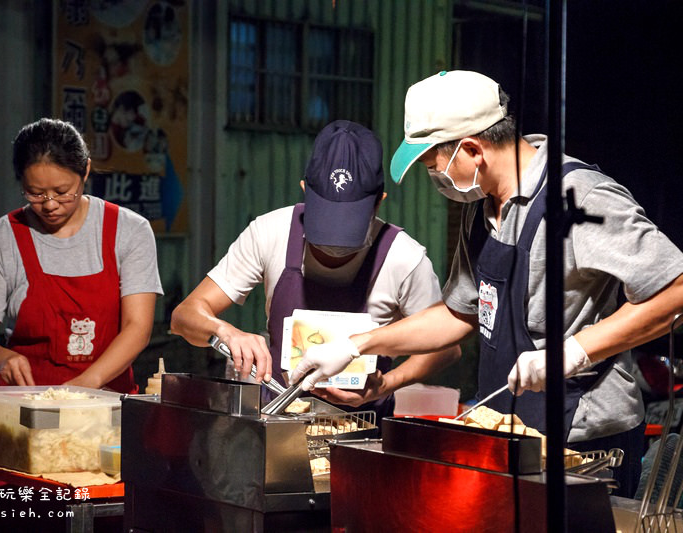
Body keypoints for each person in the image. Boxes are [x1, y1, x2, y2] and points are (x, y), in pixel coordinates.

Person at [290, 70, 683, 497]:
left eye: (432, 166)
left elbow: (675, 286)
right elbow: (459, 314)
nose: (433, 179)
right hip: (504, 430)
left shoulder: (579, 198)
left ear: (473, 149)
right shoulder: (482, 208)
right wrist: (357, 345)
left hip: (582, 442)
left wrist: (575, 350)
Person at [171, 120, 460, 420]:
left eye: (349, 225)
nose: (335, 243)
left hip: (365, 430)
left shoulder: (404, 258)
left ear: (379, 202)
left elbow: (445, 348)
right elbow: (184, 316)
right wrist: (226, 332)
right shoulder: (270, 233)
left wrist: (386, 384)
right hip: (278, 423)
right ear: (304, 190)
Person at [0, 118, 163, 393]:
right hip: (24, 403)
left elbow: (137, 327)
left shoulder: (129, 231)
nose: (50, 204)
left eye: (63, 192)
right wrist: (2, 357)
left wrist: (87, 384)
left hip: (107, 402)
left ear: (86, 170)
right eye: (36, 193)